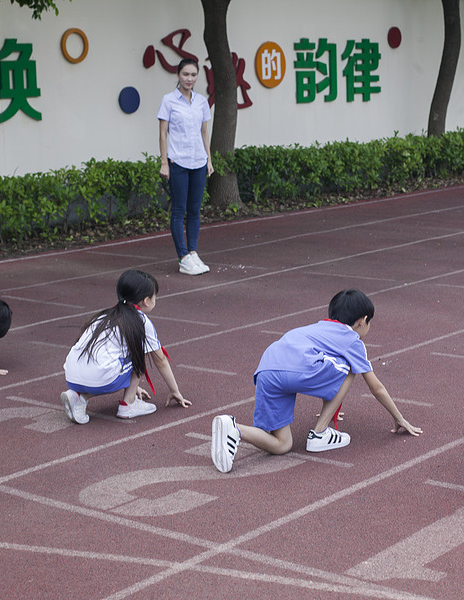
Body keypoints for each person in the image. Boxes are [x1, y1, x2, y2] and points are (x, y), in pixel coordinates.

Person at [210, 289, 423, 473]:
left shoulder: (316, 328)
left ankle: (234, 428)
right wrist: (399, 417)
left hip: (267, 367)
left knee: (282, 445)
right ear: (362, 321)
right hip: (298, 368)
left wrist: (331, 406)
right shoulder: (353, 341)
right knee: (350, 367)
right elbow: (376, 387)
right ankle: (319, 433)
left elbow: (324, 366)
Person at [61, 269, 191, 424]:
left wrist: (132, 385)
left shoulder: (104, 316)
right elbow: (160, 360)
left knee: (119, 357)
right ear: (146, 300)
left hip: (71, 375)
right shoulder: (141, 321)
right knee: (140, 353)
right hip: (99, 377)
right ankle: (128, 405)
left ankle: (79, 398)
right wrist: (174, 390)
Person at [158, 57, 214, 276]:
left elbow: (204, 132)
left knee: (194, 211)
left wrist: (209, 159)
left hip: (198, 161)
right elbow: (163, 133)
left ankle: (192, 252)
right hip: (178, 161)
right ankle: (182, 257)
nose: (189, 79)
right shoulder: (168, 101)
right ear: (178, 75)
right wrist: (164, 162)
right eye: (185, 74)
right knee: (179, 210)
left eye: (193, 75)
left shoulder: (201, 101)